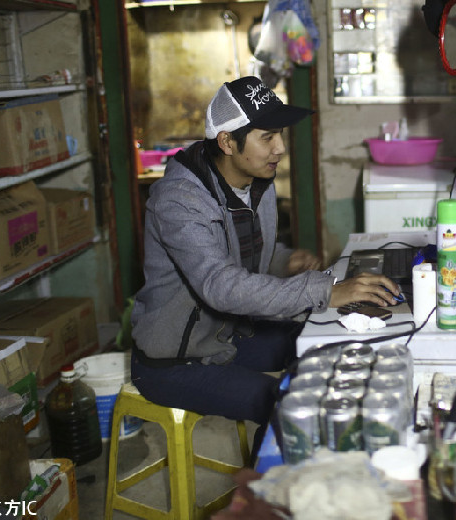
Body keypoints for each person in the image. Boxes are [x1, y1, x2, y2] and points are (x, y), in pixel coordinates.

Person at [130, 76, 400, 457]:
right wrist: (324, 291)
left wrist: (283, 260)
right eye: (268, 137)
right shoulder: (179, 201)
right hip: (174, 360)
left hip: (225, 335)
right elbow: (219, 284)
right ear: (227, 141)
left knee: (324, 349)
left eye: (280, 136)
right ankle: (270, 497)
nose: (280, 149)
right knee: (291, 407)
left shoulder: (256, 180)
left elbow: (238, 254)